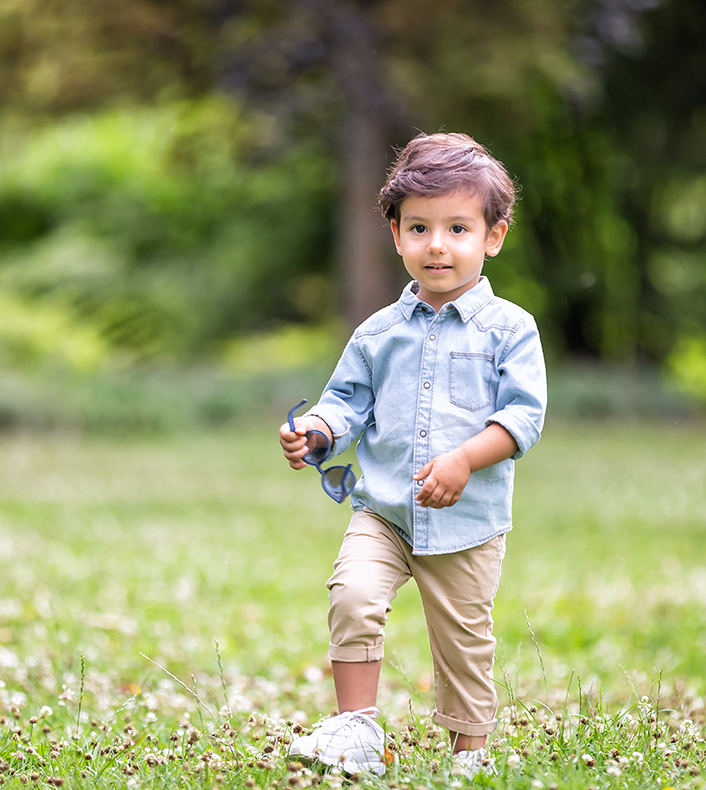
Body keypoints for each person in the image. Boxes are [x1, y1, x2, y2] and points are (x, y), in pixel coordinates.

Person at [278, 131, 547, 776]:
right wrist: (317, 432)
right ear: (396, 235)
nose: (437, 245)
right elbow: (346, 402)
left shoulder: (510, 329)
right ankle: (357, 732)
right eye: (419, 227)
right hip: (386, 508)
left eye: (458, 227)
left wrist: (464, 460)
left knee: (462, 642)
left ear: (493, 236)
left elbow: (523, 417)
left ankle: (468, 754)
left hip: (466, 521)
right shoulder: (378, 333)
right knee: (352, 594)